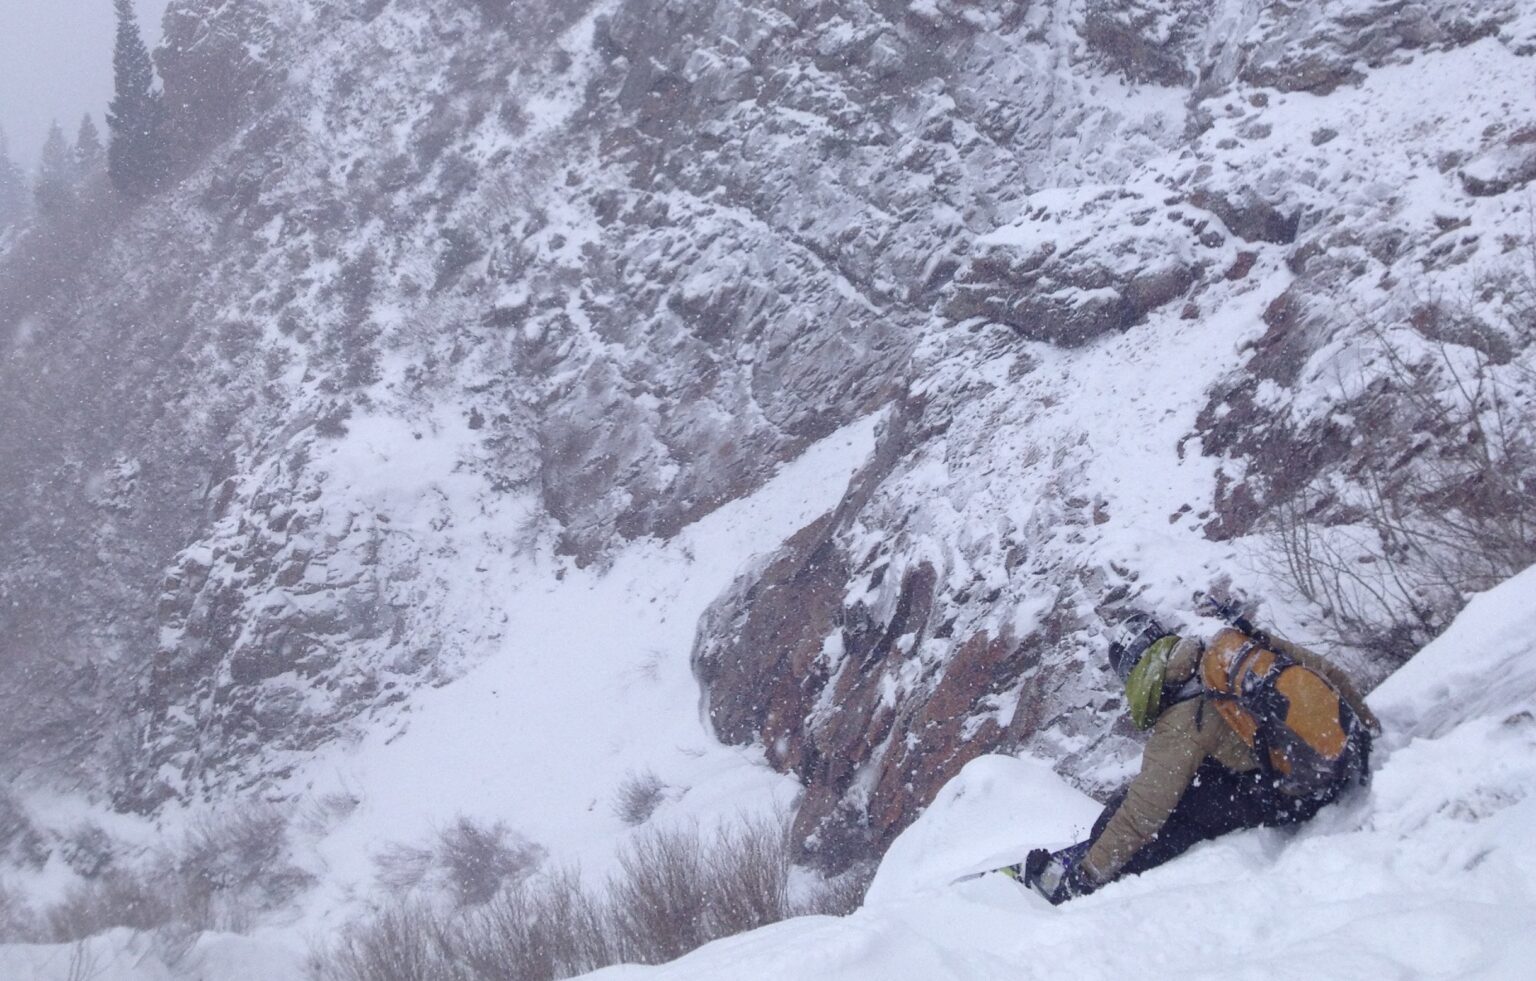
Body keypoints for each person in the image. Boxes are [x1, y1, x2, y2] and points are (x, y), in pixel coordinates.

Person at [1016, 606, 1381, 904]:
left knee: (1172, 813)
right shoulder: (1233, 654)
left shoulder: (1181, 716)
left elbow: (1143, 815)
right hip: (1337, 752)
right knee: (1180, 783)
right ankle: (1098, 851)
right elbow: (1328, 673)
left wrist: (1084, 878)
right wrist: (1366, 729)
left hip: (1295, 795)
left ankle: (1081, 871)